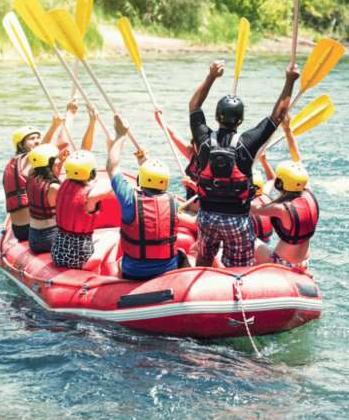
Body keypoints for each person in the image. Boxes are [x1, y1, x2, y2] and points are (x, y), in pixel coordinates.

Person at [188, 60, 299, 268]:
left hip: (207, 216)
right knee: (239, 267)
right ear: (240, 120)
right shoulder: (249, 142)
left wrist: (211, 76)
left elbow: (194, 106)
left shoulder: (203, 139)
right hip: (237, 218)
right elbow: (277, 115)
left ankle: (203, 273)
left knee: (204, 255)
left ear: (216, 117)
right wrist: (289, 81)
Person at [107, 115, 194, 281]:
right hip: (167, 268)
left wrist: (120, 134)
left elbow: (112, 167)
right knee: (181, 254)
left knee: (120, 262)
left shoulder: (129, 198)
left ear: (141, 177)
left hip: (134, 272)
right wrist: (146, 164)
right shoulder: (173, 201)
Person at [25, 105, 105, 255]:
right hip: (51, 237)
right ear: (51, 163)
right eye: (56, 159)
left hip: (34, 238)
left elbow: (40, 153)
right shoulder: (55, 188)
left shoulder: (31, 175)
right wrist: (92, 121)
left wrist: (70, 114)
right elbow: (84, 154)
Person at [3, 102, 73, 241]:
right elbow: (63, 142)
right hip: (32, 229)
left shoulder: (19, 165)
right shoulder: (28, 160)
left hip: (19, 229)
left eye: (37, 138)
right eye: (31, 139)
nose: (36, 141)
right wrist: (70, 113)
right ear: (20, 145)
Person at [252, 161, 320, 269]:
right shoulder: (310, 195)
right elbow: (298, 160)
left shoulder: (281, 209)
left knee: (250, 236)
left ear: (279, 183)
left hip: (282, 263)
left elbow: (253, 208)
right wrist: (291, 143)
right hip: (304, 262)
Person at [52, 150, 112, 270]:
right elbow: (111, 183)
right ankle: (100, 274)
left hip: (57, 255)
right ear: (91, 173)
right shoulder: (91, 195)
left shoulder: (62, 187)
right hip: (79, 260)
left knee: (96, 240)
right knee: (111, 236)